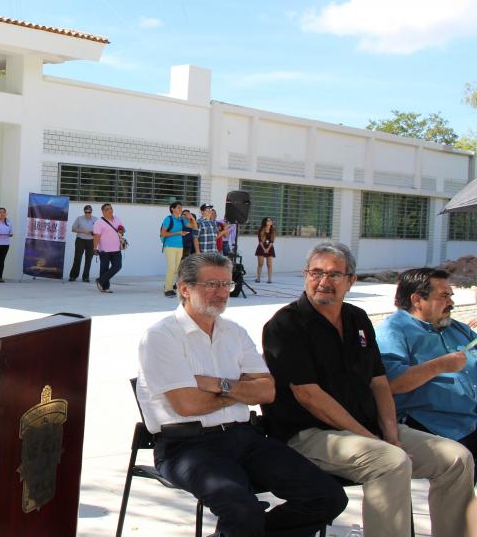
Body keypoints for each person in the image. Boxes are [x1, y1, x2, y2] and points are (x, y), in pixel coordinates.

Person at [262, 242, 474, 537]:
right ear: (305, 275)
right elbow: (309, 396)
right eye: (316, 272)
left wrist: (390, 433)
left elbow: (379, 382)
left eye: (335, 275)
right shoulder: (284, 325)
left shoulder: (357, 319)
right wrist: (374, 439)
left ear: (351, 280)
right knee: (390, 461)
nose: (324, 281)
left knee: (456, 459)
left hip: (368, 430)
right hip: (310, 434)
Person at [137, 252, 347, 537]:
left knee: (328, 496)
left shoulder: (234, 332)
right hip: (186, 447)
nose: (221, 293)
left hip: (244, 438)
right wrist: (239, 390)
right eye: (212, 284)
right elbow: (188, 404)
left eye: (227, 285)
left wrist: (218, 385)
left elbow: (267, 391)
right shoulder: (161, 337)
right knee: (242, 510)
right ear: (184, 288)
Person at [376, 268, 477, 472]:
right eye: (444, 296)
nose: (451, 302)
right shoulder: (394, 331)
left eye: (451, 295)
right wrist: (439, 365)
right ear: (417, 300)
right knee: (462, 462)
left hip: (470, 419)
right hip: (434, 425)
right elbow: (391, 383)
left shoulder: (457, 329)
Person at [158, 201, 188, 298]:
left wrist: (190, 216)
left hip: (180, 246)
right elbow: (163, 233)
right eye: (178, 207)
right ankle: (168, 289)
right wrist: (178, 233)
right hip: (170, 246)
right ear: (172, 209)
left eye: (181, 207)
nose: (180, 209)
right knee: (171, 268)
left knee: (175, 269)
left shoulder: (181, 220)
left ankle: (170, 285)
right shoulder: (168, 219)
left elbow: (193, 226)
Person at [93, 203, 124, 294]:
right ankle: (105, 287)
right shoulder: (99, 222)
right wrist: (95, 248)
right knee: (104, 269)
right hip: (104, 250)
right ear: (103, 211)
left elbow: (122, 230)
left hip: (117, 249)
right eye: (107, 209)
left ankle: (100, 280)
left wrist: (122, 230)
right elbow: (96, 236)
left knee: (117, 266)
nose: (110, 210)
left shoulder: (117, 219)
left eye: (111, 208)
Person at [68, 205, 97, 282]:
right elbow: (73, 229)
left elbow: (98, 231)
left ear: (91, 211)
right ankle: (73, 276)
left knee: (89, 259)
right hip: (80, 240)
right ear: (84, 212)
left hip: (91, 241)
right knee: (77, 258)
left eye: (89, 212)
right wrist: (83, 231)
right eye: (86, 212)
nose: (87, 213)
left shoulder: (96, 219)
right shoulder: (79, 218)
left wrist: (93, 232)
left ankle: (86, 277)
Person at [255, 217, 276, 283]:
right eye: (268, 221)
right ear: (265, 222)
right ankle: (258, 278)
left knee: (269, 264)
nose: (270, 222)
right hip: (261, 247)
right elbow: (260, 240)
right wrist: (264, 249)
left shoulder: (273, 230)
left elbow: (272, 241)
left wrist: (268, 249)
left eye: (270, 220)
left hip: (270, 247)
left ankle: (269, 279)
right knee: (260, 264)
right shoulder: (261, 229)